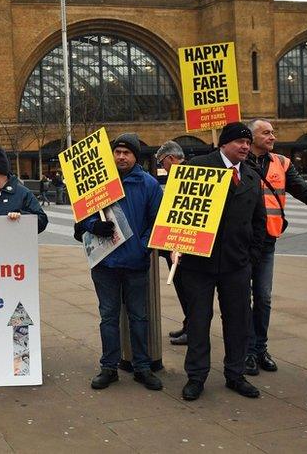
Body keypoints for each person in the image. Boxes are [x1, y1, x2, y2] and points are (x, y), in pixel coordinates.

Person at [177, 122, 266, 401]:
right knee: (198, 321)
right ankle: (196, 376)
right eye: (240, 142)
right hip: (198, 264)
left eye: (248, 143)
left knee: (238, 321)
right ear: (224, 143)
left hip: (236, 265)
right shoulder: (199, 166)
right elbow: (178, 207)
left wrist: (251, 257)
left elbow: (259, 222)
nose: (245, 147)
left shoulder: (251, 177)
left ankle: (235, 374)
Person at [244, 120, 307, 376]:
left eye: (273, 132)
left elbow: (305, 191)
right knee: (241, 299)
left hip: (266, 242)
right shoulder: (237, 162)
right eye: (266, 132)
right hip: (240, 243)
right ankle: (247, 351)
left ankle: (260, 348)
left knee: (263, 298)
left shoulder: (282, 163)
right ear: (251, 137)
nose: (272, 136)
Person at [79, 133, 164, 391]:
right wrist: (95, 225)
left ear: (136, 156)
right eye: (117, 152)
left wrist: (143, 247)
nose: (121, 156)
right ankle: (109, 367)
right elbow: (82, 217)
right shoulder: (98, 183)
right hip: (105, 264)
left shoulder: (148, 184)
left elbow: (157, 221)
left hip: (136, 263)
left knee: (139, 317)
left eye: (127, 153)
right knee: (108, 317)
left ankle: (142, 367)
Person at [154, 141, 190, 347]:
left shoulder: (184, 176)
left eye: (162, 163)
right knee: (182, 289)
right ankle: (188, 324)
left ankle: (192, 328)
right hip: (174, 244)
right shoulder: (181, 175)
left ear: (170, 159)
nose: (162, 167)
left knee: (187, 290)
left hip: (182, 247)